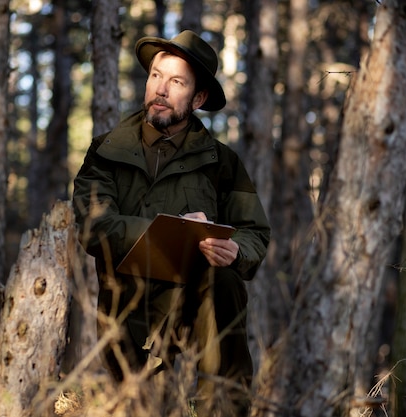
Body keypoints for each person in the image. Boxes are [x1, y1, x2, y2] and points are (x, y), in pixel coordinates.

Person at [72, 30, 270, 416]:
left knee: (224, 278)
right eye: (156, 76)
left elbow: (254, 232)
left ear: (198, 99)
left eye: (176, 82)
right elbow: (93, 226)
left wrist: (234, 250)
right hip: (128, 310)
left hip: (199, 308)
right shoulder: (106, 151)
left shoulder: (223, 163)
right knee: (146, 408)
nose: (160, 89)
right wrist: (171, 230)